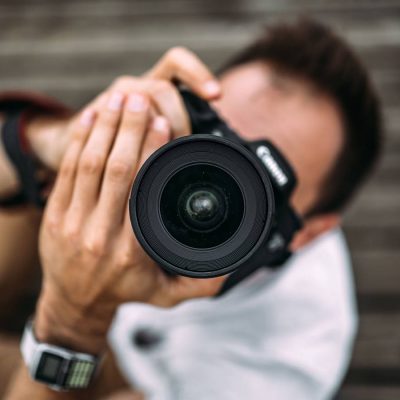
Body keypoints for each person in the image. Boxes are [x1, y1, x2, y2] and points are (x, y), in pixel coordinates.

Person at [0, 19, 382, 399]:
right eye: (209, 140)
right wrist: (50, 140)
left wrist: (72, 321)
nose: (206, 175)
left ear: (309, 233)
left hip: (140, 374)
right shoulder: (156, 150)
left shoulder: (274, 368)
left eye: (257, 183)